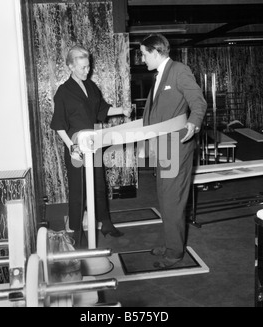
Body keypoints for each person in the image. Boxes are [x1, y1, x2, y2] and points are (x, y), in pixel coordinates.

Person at [50, 45, 131, 247]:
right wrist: (72, 147)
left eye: (88, 67)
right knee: (78, 190)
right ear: (70, 66)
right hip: (76, 147)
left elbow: (102, 109)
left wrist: (123, 109)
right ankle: (77, 233)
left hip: (93, 144)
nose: (87, 71)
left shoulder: (91, 87)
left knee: (99, 185)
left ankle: (106, 223)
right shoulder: (63, 92)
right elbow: (59, 125)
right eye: (82, 67)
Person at [140, 34, 207, 268]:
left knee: (173, 200)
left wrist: (194, 122)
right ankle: (170, 242)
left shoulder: (179, 70)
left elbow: (198, 102)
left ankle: (175, 251)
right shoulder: (159, 76)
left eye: (143, 54)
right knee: (165, 198)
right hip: (163, 147)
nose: (141, 59)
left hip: (177, 146)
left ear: (156, 52)